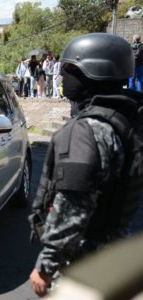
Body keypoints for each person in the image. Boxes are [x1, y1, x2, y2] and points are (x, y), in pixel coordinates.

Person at [28, 33, 143, 297]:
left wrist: (45, 266)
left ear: (91, 72)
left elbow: (72, 209)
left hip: (80, 263)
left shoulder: (85, 131)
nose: (63, 75)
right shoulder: (128, 121)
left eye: (69, 68)